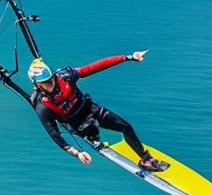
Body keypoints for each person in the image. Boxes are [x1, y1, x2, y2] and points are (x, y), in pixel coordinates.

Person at [27, 51, 170, 172]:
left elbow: (94, 67)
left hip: (91, 109)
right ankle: (93, 139)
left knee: (126, 127)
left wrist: (127, 57)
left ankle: (146, 161)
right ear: (38, 84)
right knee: (90, 131)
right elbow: (55, 135)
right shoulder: (42, 106)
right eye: (46, 82)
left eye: (51, 79)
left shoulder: (65, 76)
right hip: (79, 124)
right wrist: (77, 153)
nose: (51, 84)